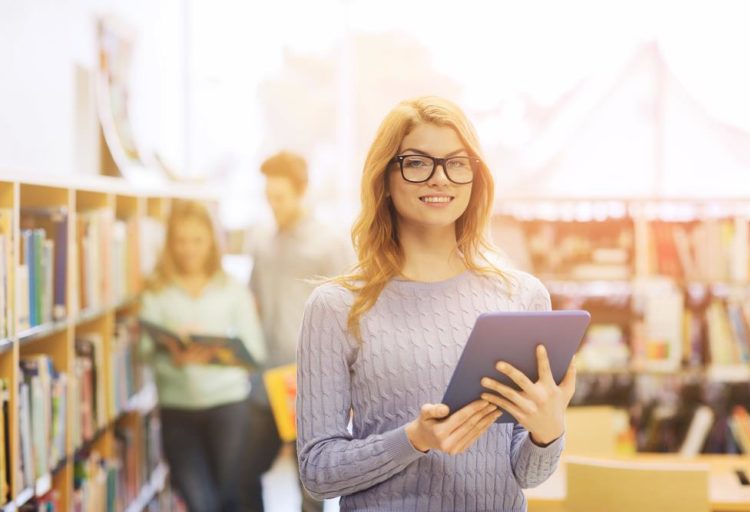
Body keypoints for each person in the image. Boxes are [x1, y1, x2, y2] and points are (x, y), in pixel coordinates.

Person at [296, 96, 576, 511]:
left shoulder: (521, 296)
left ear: (475, 178)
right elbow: (318, 473)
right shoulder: (336, 307)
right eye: (417, 162)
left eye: (457, 163)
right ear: (384, 179)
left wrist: (547, 431)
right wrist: (414, 440)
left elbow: (526, 474)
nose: (440, 179)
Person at [243, 151, 353, 512]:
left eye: (280, 197)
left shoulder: (329, 243)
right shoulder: (261, 240)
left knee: (310, 488)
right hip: (265, 380)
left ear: (302, 190)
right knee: (244, 472)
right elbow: (253, 300)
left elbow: (351, 310)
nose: (273, 205)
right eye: (268, 197)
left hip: (309, 382)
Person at [140, 200, 266, 512]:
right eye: (181, 241)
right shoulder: (156, 291)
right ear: (170, 244)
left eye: (197, 240)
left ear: (211, 241)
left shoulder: (232, 289)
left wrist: (217, 351)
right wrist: (172, 354)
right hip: (177, 410)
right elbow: (144, 351)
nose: (189, 249)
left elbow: (255, 352)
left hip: (229, 408)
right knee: (200, 503)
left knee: (229, 499)